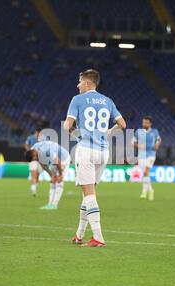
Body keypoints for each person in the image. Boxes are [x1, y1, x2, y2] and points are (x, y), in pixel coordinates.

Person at [64, 69, 126, 247]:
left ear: (88, 83)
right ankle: (79, 234)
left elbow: (67, 124)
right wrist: (107, 133)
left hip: (86, 150)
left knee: (89, 194)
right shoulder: (108, 101)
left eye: (79, 81)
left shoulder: (77, 100)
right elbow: (122, 124)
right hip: (103, 152)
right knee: (88, 193)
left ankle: (98, 237)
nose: (77, 85)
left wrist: (75, 133)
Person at [26, 140, 70, 210]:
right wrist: (51, 175)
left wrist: (60, 175)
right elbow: (43, 164)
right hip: (55, 160)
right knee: (52, 181)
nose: (36, 159)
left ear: (34, 153)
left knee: (58, 180)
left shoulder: (46, 151)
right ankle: (50, 204)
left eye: (35, 158)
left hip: (63, 158)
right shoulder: (34, 149)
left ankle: (54, 205)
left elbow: (57, 161)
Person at [132, 116, 161, 201]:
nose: (144, 124)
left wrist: (157, 145)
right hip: (141, 155)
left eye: (146, 122)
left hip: (151, 154)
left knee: (146, 171)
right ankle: (149, 191)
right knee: (145, 174)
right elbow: (133, 141)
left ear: (150, 123)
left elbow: (159, 140)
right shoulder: (138, 132)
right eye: (143, 122)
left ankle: (146, 192)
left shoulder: (154, 131)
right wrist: (138, 145)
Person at [24, 128, 42, 196]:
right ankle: (33, 190)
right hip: (32, 160)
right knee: (33, 174)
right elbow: (26, 145)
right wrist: (30, 152)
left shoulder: (42, 139)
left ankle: (33, 186)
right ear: (36, 132)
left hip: (40, 160)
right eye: (38, 133)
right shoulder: (30, 138)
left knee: (37, 175)